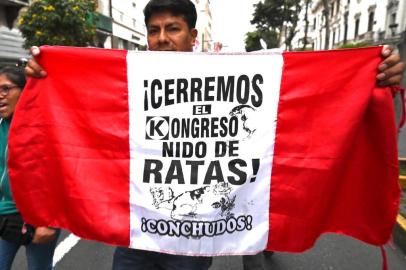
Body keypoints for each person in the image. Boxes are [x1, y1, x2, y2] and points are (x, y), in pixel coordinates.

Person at [23, 1, 405, 270]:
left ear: (192, 36)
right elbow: (76, 105)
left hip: (195, 243)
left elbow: (315, 94)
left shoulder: (235, 74)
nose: (162, 38)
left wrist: (371, 72)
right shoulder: (121, 83)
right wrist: (45, 74)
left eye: (172, 28)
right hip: (135, 240)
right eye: (154, 30)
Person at [0, 65, 60, 270]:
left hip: (39, 218)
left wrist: (49, 222)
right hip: (6, 214)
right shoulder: (1, 125)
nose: (0, 96)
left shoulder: (43, 126)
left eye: (6, 89)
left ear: (24, 91)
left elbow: (58, 173)